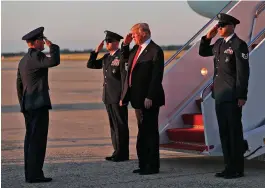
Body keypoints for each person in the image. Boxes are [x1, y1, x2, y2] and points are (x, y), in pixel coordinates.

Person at [199, 13, 250, 179]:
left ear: (231, 26)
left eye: (221, 26)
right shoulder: (220, 43)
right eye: (218, 26)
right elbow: (203, 51)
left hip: (233, 96)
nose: (219, 28)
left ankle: (237, 169)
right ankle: (228, 166)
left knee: (234, 132)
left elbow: (243, 73)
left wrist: (242, 95)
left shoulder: (238, 45)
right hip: (220, 95)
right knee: (224, 133)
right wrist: (208, 37)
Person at [120, 23, 165, 175]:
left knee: (150, 132)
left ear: (144, 33)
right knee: (142, 132)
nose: (132, 37)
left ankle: (152, 166)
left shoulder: (155, 50)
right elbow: (125, 59)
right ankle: (143, 163)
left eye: (134, 35)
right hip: (137, 98)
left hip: (148, 99)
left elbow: (156, 76)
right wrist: (125, 44)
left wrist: (150, 96)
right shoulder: (136, 49)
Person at [16, 27, 60, 183]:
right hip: (38, 106)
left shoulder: (23, 60)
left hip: (28, 105)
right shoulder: (36, 56)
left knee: (30, 140)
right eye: (42, 40)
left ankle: (31, 174)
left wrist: (23, 104)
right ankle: (35, 175)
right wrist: (53, 47)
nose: (44, 42)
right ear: (35, 42)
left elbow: (19, 85)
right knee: (37, 141)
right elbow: (54, 61)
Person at [87, 30, 129, 162]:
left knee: (120, 125)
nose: (107, 43)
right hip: (108, 97)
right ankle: (116, 151)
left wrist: (124, 96)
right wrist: (95, 52)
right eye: (106, 41)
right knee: (113, 125)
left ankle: (122, 153)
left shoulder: (120, 57)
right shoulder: (107, 57)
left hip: (118, 97)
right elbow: (91, 65)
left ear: (116, 43)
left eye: (109, 41)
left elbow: (124, 78)